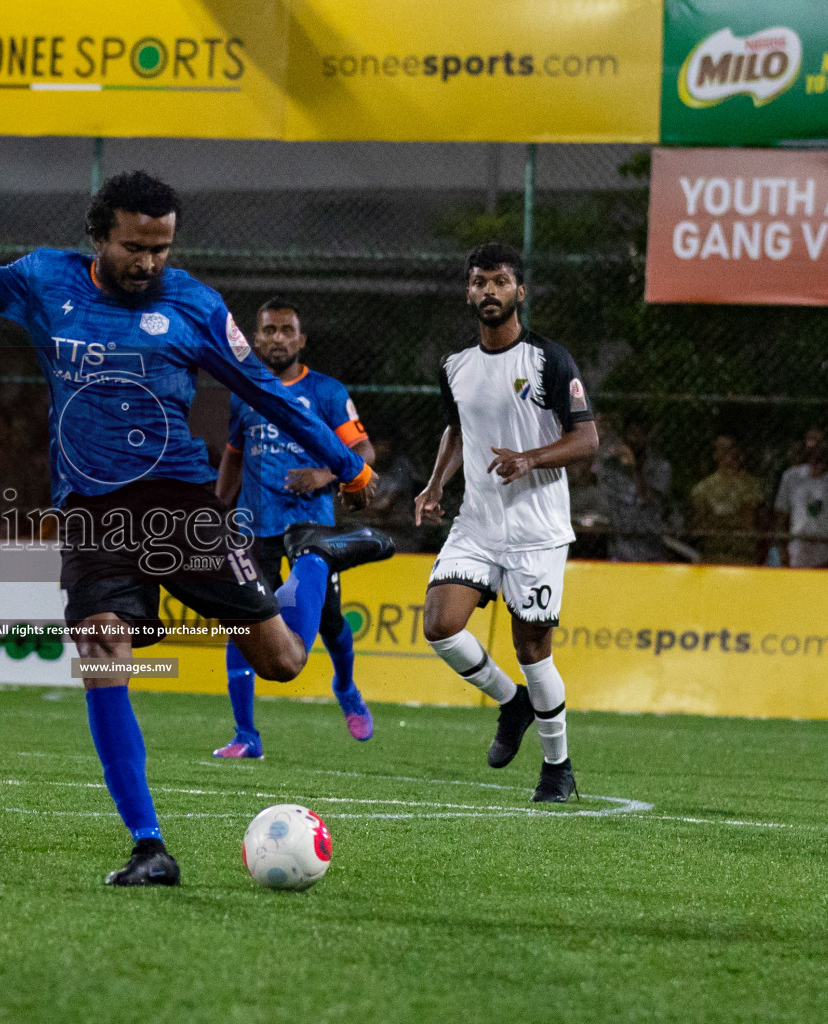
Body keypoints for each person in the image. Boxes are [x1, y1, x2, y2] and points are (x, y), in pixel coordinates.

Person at [0, 171, 393, 886]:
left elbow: (265, 392)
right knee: (102, 655)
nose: (149, 262)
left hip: (178, 504)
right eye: (135, 247)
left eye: (161, 247)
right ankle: (148, 846)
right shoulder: (47, 280)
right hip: (92, 513)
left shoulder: (194, 304)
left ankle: (318, 558)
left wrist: (346, 468)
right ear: (99, 237)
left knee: (285, 661)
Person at [414, 242, 598, 804]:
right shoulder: (455, 366)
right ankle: (510, 702)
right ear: (467, 291)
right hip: (478, 523)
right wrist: (434, 484)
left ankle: (557, 768)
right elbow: (457, 429)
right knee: (440, 625)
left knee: (532, 649)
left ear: (519, 291)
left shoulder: (548, 359)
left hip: (536, 530)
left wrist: (530, 458)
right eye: (478, 282)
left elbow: (587, 439)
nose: (487, 292)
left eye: (499, 282)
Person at [211, 297, 376, 759]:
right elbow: (234, 454)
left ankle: (345, 687)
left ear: (301, 340)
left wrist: (326, 474)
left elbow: (363, 452)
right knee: (245, 623)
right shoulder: (243, 391)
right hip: (256, 528)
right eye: (269, 330)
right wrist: (214, 508)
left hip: (311, 532)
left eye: (287, 330)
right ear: (255, 338)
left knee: (329, 622)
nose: (278, 338)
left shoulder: (325, 392)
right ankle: (246, 736)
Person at [773, 427, 828, 568]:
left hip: (826, 548)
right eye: (811, 441)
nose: (815, 447)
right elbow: (781, 516)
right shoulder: (791, 477)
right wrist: (783, 553)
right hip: (797, 547)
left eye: (820, 442)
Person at [597, 418, 670, 562]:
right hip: (619, 544)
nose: (633, 440)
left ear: (647, 437)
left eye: (638, 435)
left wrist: (633, 467)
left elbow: (649, 500)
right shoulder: (611, 467)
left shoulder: (660, 466)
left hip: (650, 544)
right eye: (630, 434)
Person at [688, 435, 765, 565]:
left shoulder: (750, 484)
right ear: (715, 454)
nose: (728, 454)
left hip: (742, 555)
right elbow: (699, 523)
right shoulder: (704, 487)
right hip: (713, 554)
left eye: (731, 449)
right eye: (722, 449)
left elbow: (749, 520)